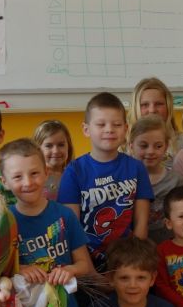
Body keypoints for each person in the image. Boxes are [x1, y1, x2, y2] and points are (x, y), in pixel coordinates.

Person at [0, 139, 94, 307]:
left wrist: (69, 270)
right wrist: (20, 268)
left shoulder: (64, 216)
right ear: (4, 181)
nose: (28, 182)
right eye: (17, 176)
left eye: (34, 173)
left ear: (47, 173)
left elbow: (84, 265)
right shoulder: (4, 222)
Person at [58, 92, 152, 272]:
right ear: (86, 129)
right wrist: (91, 273)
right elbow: (71, 229)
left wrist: (132, 267)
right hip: (87, 262)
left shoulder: (136, 168)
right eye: (101, 124)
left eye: (116, 124)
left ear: (126, 129)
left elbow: (141, 225)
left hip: (129, 262)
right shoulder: (74, 171)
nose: (109, 130)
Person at [129, 115, 183, 244]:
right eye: (144, 146)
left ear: (166, 147)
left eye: (158, 146)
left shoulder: (176, 180)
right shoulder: (125, 180)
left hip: (168, 245)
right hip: (135, 246)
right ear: (131, 146)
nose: (151, 151)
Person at [130, 76, 183, 155]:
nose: (152, 110)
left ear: (168, 107)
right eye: (144, 104)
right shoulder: (122, 144)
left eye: (159, 104)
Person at [32, 119, 73, 201]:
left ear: (68, 147)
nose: (56, 151)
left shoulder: (74, 175)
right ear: (38, 149)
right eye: (49, 146)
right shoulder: (34, 178)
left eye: (61, 145)